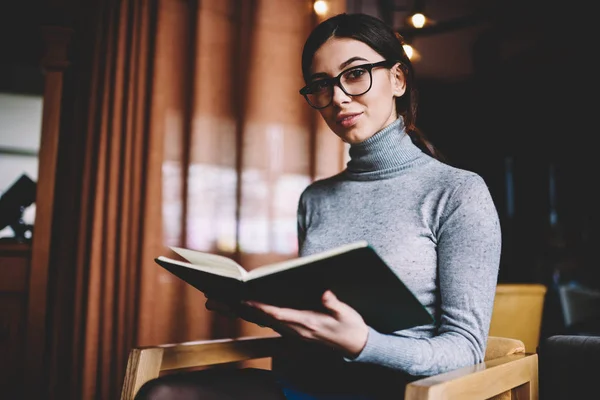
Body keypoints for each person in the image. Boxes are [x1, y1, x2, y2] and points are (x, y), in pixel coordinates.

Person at [136, 11, 501, 400]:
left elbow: (465, 349)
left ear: (398, 79)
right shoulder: (316, 198)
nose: (339, 97)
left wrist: (363, 343)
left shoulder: (458, 192)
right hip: (305, 383)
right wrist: (263, 310)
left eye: (356, 73)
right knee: (163, 394)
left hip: (399, 391)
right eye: (321, 84)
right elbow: (319, 318)